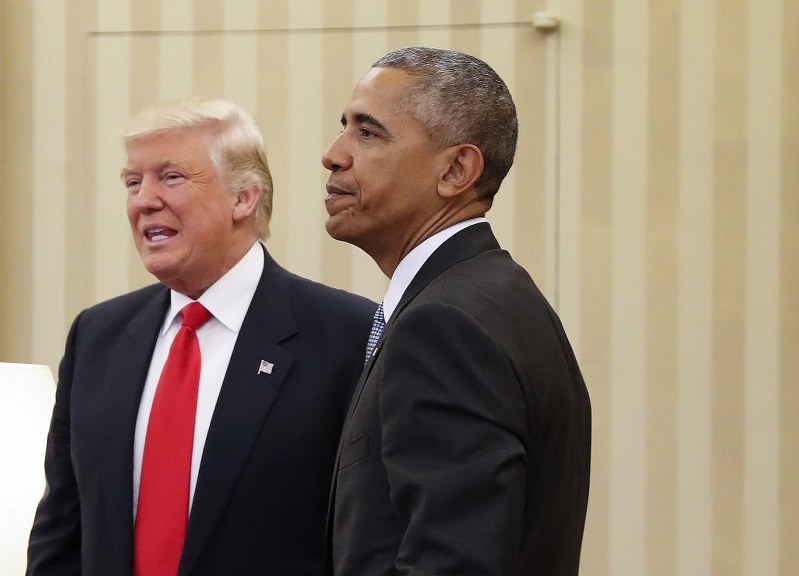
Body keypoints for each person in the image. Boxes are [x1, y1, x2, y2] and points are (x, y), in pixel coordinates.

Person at [27, 98, 376, 576]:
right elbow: (61, 531)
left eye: (171, 177)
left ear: (243, 198)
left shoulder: (349, 334)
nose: (144, 200)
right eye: (133, 182)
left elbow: (369, 536)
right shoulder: (97, 336)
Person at [322, 46, 591, 575]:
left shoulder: (444, 325)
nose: (334, 153)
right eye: (344, 127)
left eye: (368, 132)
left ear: (457, 170)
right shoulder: (495, 297)